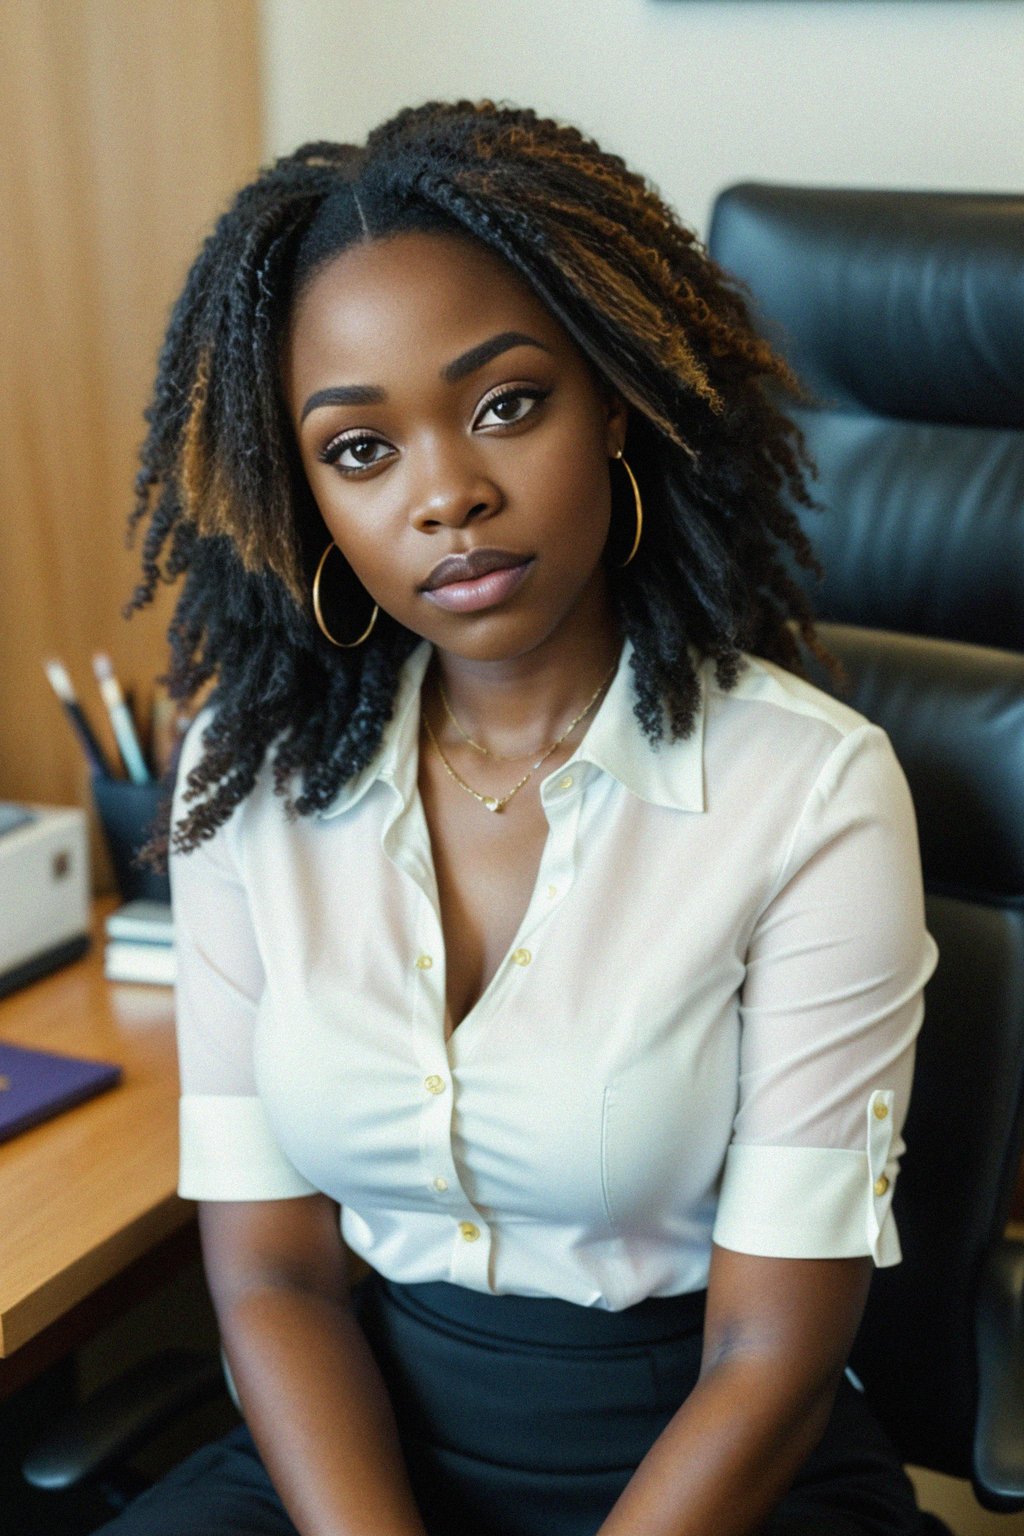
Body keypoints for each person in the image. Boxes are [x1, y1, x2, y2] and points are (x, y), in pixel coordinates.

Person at [104, 99, 941, 1536]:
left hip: (711, 1469)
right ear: (304, 493)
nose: (449, 495)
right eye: (360, 450)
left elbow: (773, 1356)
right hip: (358, 1462)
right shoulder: (247, 774)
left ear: (610, 399)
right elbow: (271, 1276)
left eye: (506, 403)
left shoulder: (810, 789)